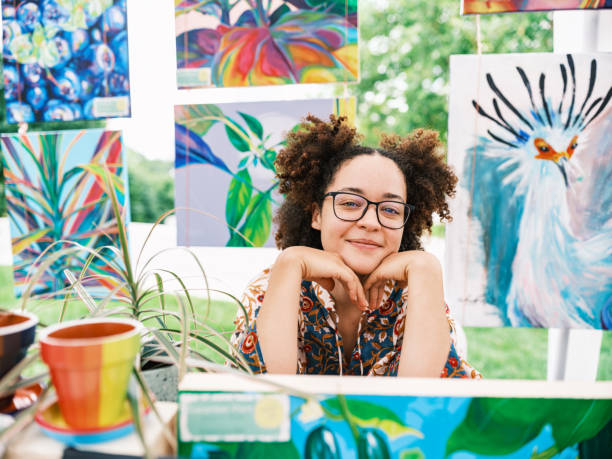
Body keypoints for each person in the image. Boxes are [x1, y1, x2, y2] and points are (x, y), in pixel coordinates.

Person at [231, 115, 481, 378]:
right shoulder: (272, 286)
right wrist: (290, 262)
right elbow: (268, 397)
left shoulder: (416, 294)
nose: (371, 222)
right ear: (317, 214)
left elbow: (419, 399)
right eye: (350, 203)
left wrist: (426, 267)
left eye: (390, 209)